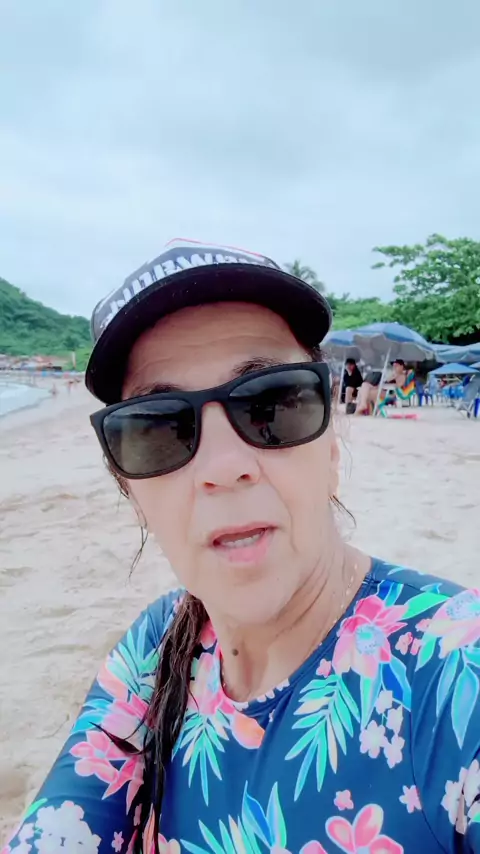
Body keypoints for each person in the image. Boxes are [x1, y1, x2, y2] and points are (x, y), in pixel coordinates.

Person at [4, 239, 480, 854]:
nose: (224, 468)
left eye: (272, 403)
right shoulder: (157, 649)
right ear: (131, 491)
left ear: (331, 448)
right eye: (159, 427)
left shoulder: (456, 674)